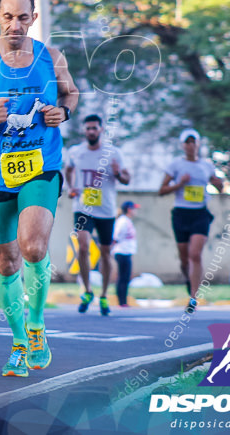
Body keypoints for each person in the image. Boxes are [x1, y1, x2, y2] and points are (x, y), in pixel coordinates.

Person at [0, 0, 79, 378]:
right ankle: (18, 342)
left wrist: (64, 111)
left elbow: (71, 94)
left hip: (40, 164)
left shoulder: (51, 57)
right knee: (6, 262)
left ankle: (38, 325)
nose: (15, 25)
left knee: (32, 245)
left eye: (23, 17)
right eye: (7, 16)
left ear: (34, 18)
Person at [65, 115, 130, 316]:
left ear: (101, 130)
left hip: (107, 210)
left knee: (105, 253)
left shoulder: (113, 153)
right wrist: (71, 187)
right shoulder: (76, 151)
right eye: (88, 128)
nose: (91, 131)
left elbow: (127, 179)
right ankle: (87, 290)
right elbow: (68, 169)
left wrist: (118, 173)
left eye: (94, 128)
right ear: (84, 131)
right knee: (82, 247)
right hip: (83, 207)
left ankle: (102, 295)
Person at [158, 128, 224, 314]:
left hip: (200, 214)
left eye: (193, 141)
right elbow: (161, 190)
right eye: (187, 142)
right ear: (182, 145)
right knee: (184, 258)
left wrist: (218, 184)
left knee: (195, 254)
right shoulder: (175, 165)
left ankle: (194, 297)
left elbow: (219, 186)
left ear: (198, 144)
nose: (190, 145)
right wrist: (179, 184)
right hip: (181, 214)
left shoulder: (206, 165)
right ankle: (188, 278)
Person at [112, 201, 140, 308]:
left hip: (126, 252)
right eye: (134, 208)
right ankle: (121, 301)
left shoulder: (127, 221)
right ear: (129, 209)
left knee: (125, 277)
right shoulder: (123, 221)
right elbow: (116, 236)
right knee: (123, 277)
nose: (135, 211)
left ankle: (123, 301)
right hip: (122, 252)